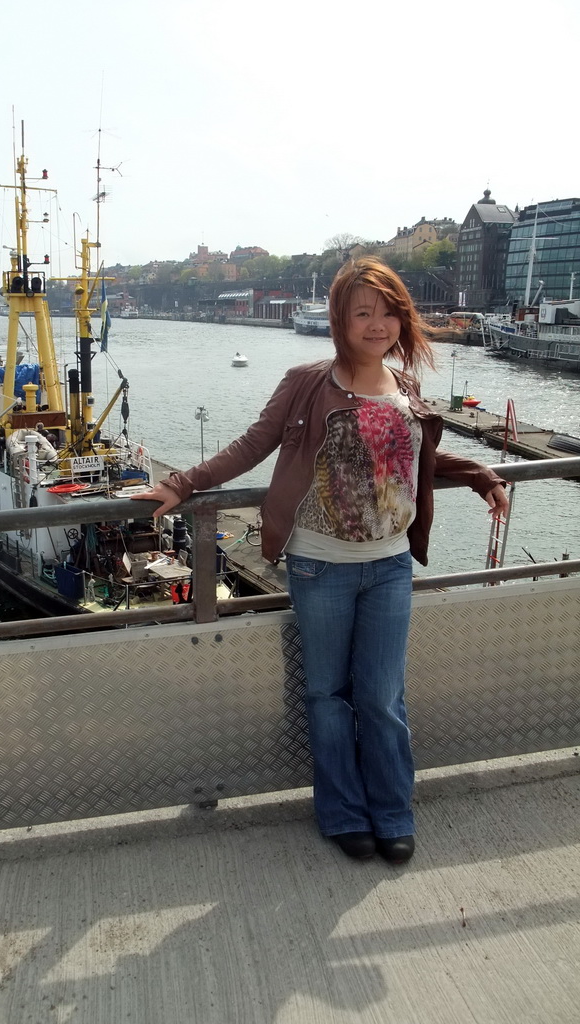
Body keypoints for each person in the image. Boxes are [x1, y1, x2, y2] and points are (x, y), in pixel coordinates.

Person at [132, 258, 508, 866]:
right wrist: (180, 483)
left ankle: (392, 811)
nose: (377, 323)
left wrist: (482, 474)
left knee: (382, 696)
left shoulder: (404, 385)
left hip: (389, 565)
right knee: (328, 695)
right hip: (318, 566)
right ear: (340, 320)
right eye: (363, 312)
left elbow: (418, 459)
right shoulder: (307, 381)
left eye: (388, 311)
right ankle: (341, 812)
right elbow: (253, 445)